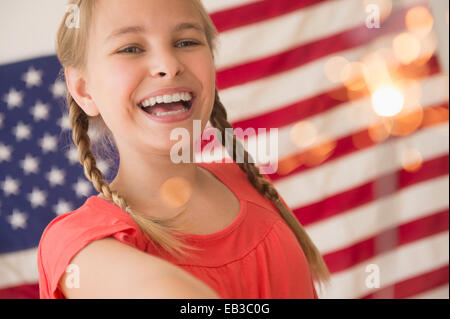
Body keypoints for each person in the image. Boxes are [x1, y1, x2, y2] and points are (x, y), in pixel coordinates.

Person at [37, 0, 331, 299]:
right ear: (84, 89)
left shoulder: (250, 183)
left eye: (186, 42)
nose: (168, 65)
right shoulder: (76, 247)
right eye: (130, 48)